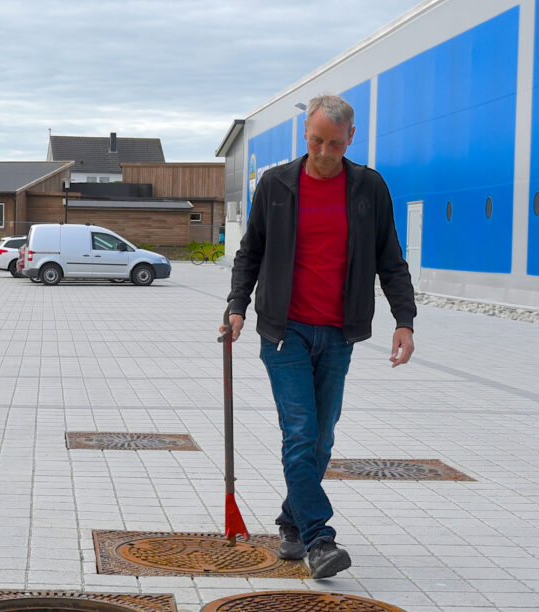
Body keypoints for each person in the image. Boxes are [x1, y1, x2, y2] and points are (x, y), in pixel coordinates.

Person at [221, 94, 416, 579]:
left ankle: (291, 522)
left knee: (322, 439)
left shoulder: (369, 187)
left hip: (338, 333)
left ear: (351, 137)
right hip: (284, 331)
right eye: (315, 141)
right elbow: (251, 252)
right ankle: (319, 539)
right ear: (304, 135)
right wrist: (237, 306)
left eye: (333, 142)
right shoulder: (277, 184)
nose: (324, 152)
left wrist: (404, 320)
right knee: (301, 432)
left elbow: (390, 259)